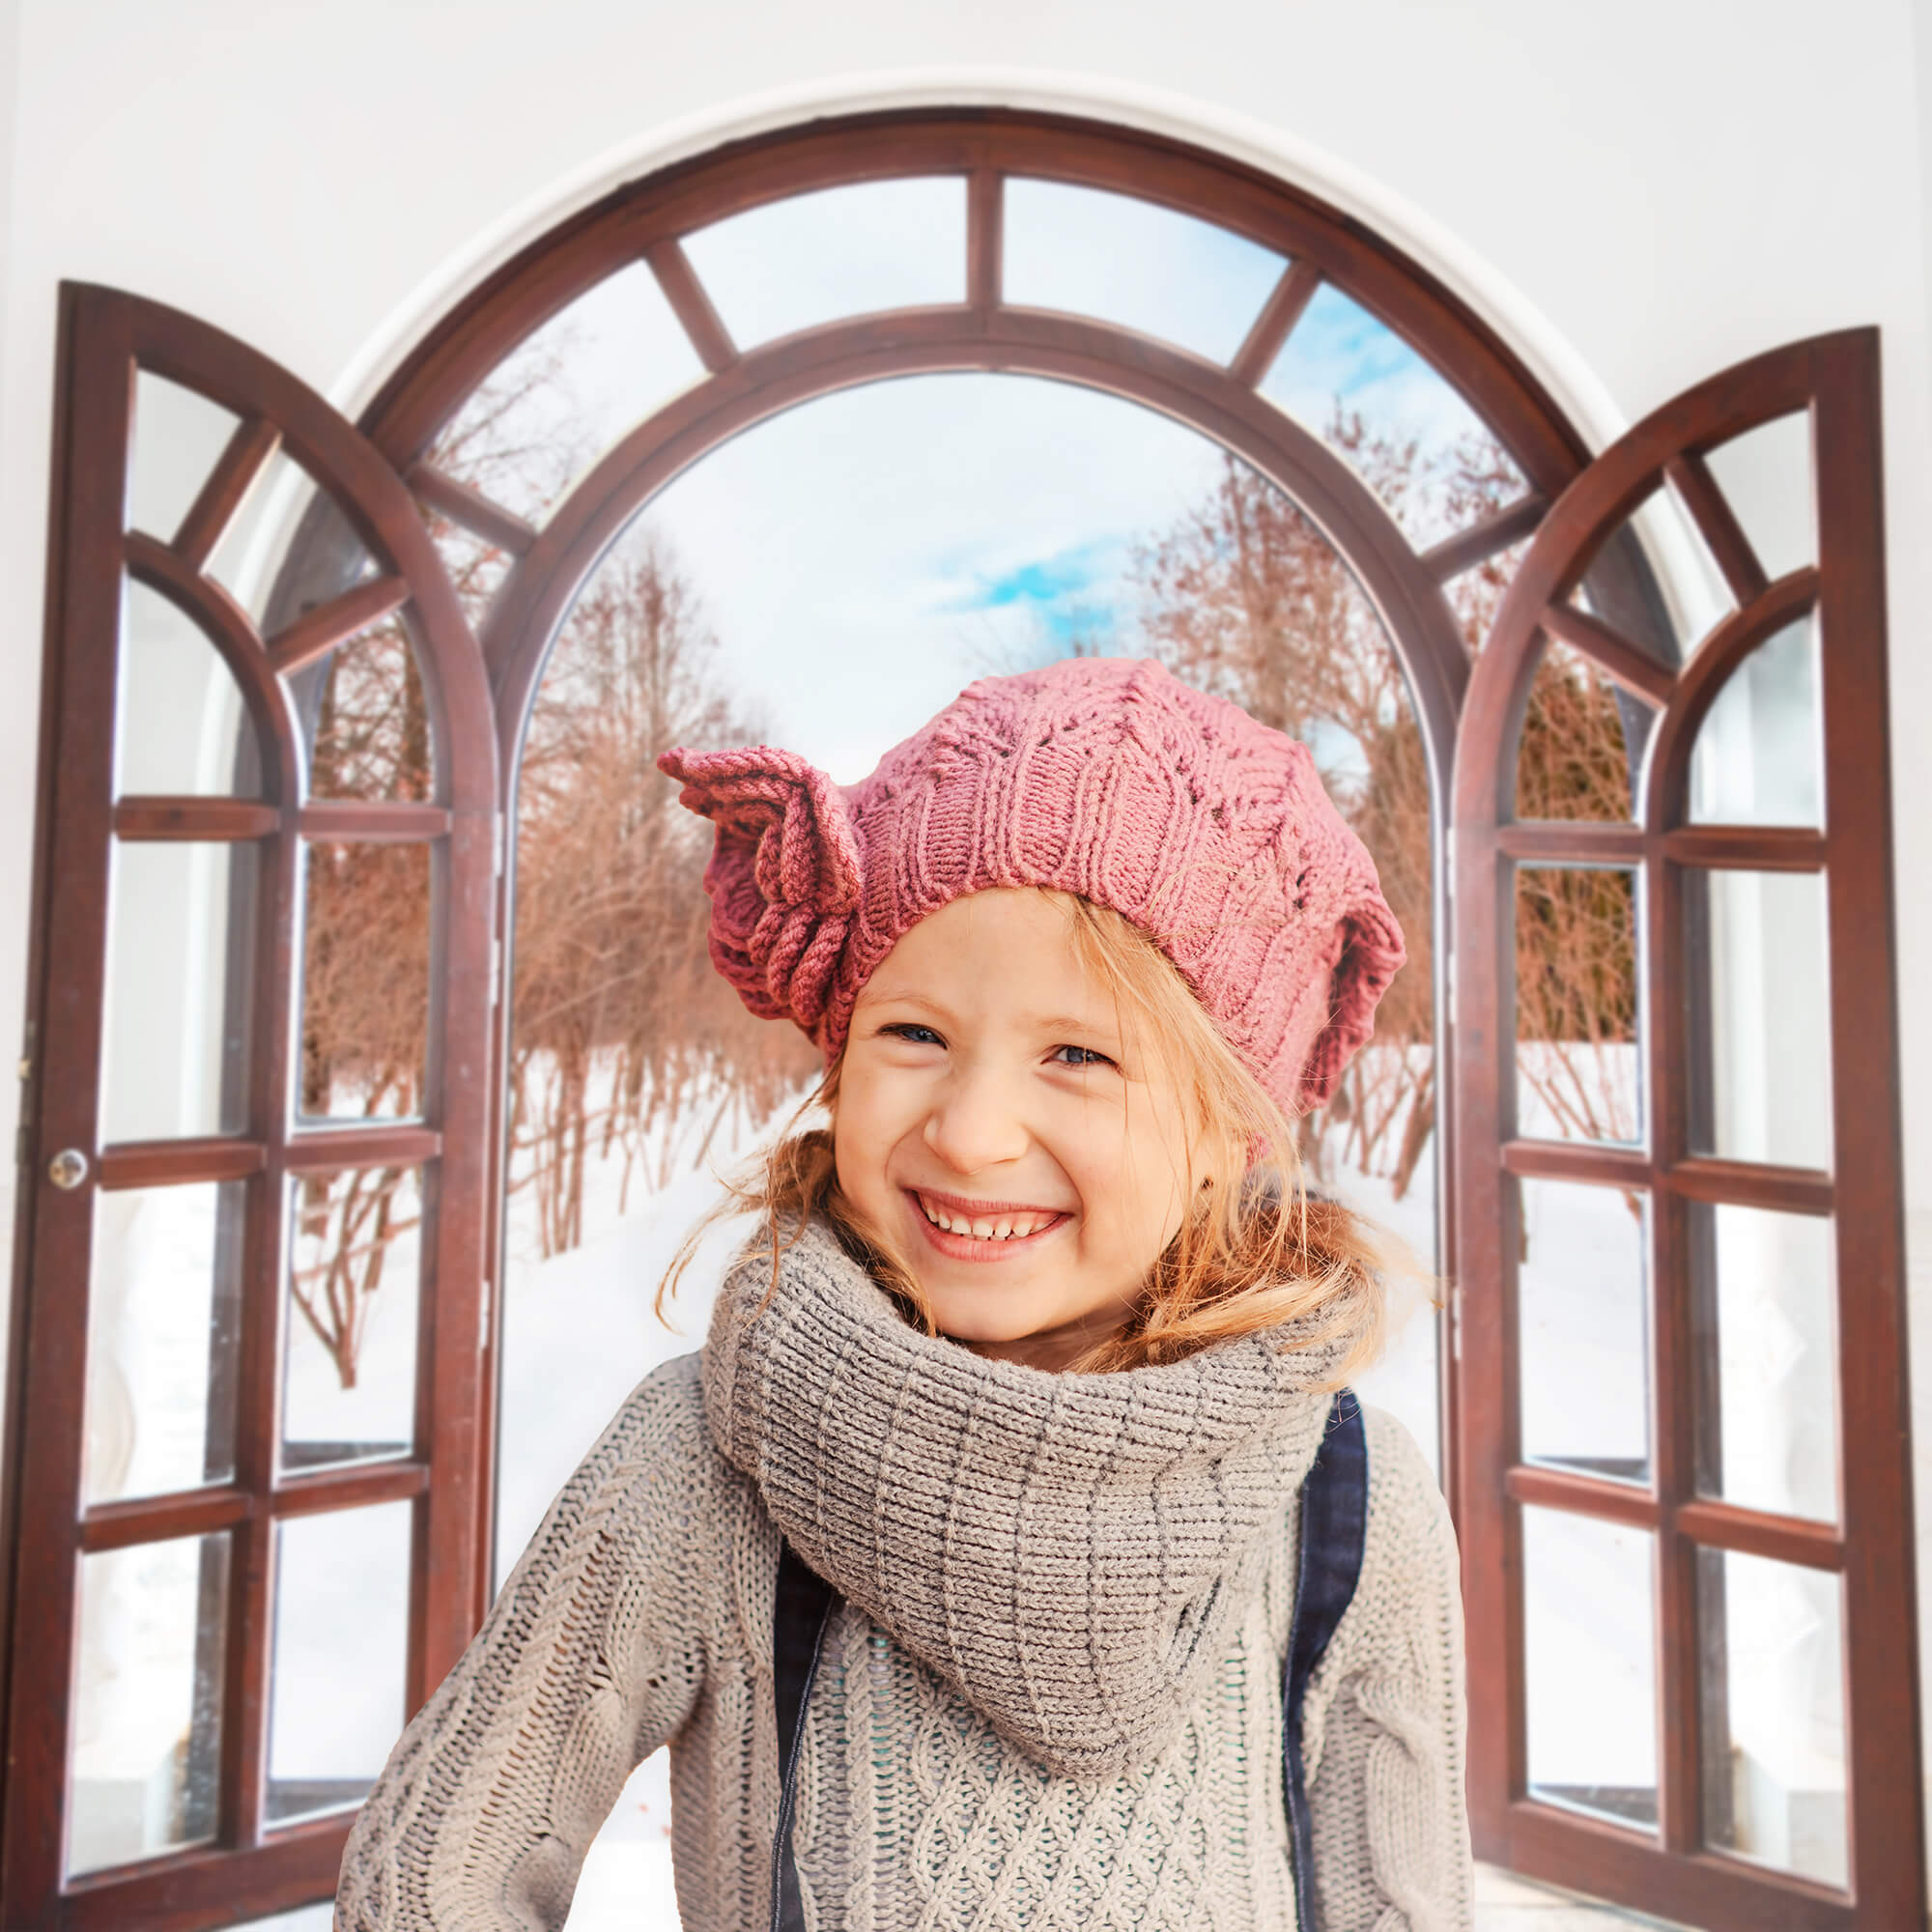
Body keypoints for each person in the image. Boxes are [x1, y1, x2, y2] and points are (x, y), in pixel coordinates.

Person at [334, 656, 1470, 1931]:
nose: (975, 1132)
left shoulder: (1347, 1504)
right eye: (914, 1034)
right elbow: (440, 1876)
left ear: (1233, 1131)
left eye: (1080, 1055)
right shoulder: (705, 1467)